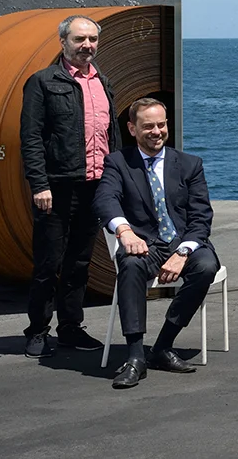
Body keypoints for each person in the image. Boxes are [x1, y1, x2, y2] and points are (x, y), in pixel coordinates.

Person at [93, 98, 221, 389]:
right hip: (144, 243)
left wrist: (183, 252)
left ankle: (163, 345)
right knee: (129, 264)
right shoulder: (118, 163)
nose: (156, 132)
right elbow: (105, 200)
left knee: (205, 266)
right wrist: (124, 231)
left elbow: (201, 217)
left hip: (182, 241)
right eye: (148, 126)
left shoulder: (189, 164)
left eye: (161, 125)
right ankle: (135, 357)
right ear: (132, 129)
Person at [18, 15, 116, 358]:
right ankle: (37, 331)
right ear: (63, 42)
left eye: (92, 39)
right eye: (79, 39)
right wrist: (39, 184)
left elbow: (111, 137)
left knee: (80, 262)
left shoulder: (103, 81)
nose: (87, 45)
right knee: (48, 263)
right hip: (57, 188)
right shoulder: (43, 82)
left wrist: (116, 181)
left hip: (95, 186)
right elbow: (31, 138)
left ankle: (71, 328)